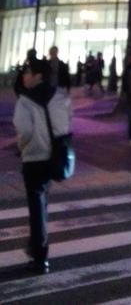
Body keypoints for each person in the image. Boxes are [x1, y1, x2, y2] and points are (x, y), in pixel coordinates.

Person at [13, 58, 72, 274]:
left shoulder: (25, 101)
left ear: (38, 75)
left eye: (28, 72)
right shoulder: (59, 96)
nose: (24, 76)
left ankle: (40, 256)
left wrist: (22, 145)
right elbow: (66, 123)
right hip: (54, 157)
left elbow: (25, 132)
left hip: (34, 159)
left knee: (36, 208)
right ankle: (37, 247)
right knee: (43, 203)